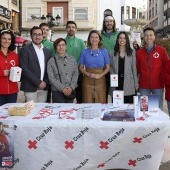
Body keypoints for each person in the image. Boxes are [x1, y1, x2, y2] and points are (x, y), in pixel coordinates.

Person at [136, 27, 169, 110]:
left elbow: (166, 68)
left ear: (154, 37)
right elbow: (137, 68)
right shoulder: (139, 53)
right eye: (146, 35)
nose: (148, 37)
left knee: (158, 109)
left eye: (151, 35)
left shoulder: (162, 51)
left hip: (158, 85)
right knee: (144, 109)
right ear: (143, 37)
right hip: (144, 86)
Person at [19, 26, 52, 102]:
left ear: (42, 36)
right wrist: (38, 82)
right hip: (30, 87)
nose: (37, 37)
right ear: (31, 36)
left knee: (41, 111)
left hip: (44, 87)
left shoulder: (47, 51)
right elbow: (24, 69)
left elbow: (49, 69)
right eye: (35, 34)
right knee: (31, 111)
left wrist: (44, 83)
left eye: (39, 34)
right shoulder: (25, 50)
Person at [79, 30, 110, 103]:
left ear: (99, 39)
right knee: (87, 104)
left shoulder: (104, 51)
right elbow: (80, 67)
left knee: (101, 104)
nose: (94, 39)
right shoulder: (84, 52)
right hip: (87, 81)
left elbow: (108, 67)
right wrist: (88, 74)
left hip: (100, 81)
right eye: (92, 37)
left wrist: (100, 75)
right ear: (89, 39)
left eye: (96, 37)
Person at [110, 31, 139, 103]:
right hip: (116, 83)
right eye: (120, 38)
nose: (122, 40)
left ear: (127, 40)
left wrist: (136, 84)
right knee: (117, 108)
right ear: (117, 40)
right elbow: (110, 67)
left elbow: (134, 69)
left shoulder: (132, 52)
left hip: (129, 83)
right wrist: (113, 78)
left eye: (124, 38)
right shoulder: (112, 53)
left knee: (128, 108)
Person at [47, 38, 78, 103]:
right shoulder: (51, 61)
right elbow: (51, 78)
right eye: (58, 45)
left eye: (63, 45)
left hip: (70, 90)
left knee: (69, 111)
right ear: (55, 47)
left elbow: (75, 74)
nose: (61, 47)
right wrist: (62, 88)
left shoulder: (72, 59)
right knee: (59, 111)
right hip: (57, 91)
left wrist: (71, 87)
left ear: (66, 46)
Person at [65, 21, 86, 103]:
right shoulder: (62, 41)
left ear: (76, 29)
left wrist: (76, 67)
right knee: (67, 99)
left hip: (78, 74)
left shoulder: (80, 42)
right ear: (66, 29)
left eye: (73, 27)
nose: (71, 29)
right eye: (69, 27)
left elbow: (83, 57)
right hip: (65, 75)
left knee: (80, 98)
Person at [101, 15, 119, 102]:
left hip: (115, 69)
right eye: (107, 21)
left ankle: (114, 112)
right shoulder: (100, 35)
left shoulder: (119, 35)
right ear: (104, 23)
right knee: (103, 93)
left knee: (115, 94)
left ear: (114, 22)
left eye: (111, 21)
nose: (109, 23)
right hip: (103, 69)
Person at [0, 29, 19, 106]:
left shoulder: (15, 55)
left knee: (10, 115)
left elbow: (18, 70)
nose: (6, 41)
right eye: (4, 38)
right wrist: (2, 73)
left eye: (9, 39)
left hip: (13, 92)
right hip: (0, 92)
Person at [39, 23, 56, 103]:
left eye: (47, 30)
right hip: (34, 77)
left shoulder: (51, 45)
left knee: (46, 101)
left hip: (47, 76)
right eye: (43, 29)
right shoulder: (30, 44)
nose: (44, 31)